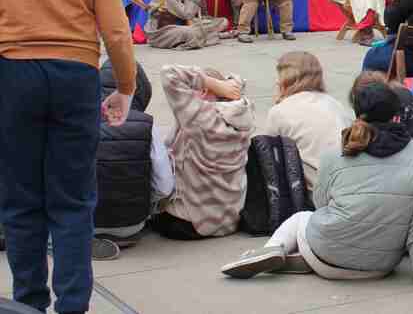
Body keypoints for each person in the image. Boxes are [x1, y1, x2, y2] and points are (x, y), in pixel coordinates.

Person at [0, 0, 136, 314]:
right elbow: (116, 30)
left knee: (20, 198)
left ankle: (28, 303)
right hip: (76, 72)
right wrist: (126, 87)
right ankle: (74, 304)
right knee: (74, 198)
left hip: (12, 71)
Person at [219, 81, 413, 299]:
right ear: (398, 117)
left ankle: (271, 250)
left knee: (302, 218)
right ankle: (304, 257)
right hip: (381, 264)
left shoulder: (338, 151)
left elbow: (321, 203)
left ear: (357, 116)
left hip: (327, 252)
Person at [150, 65, 253, 240]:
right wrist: (223, 86)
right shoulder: (243, 113)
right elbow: (239, 81)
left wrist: (212, 82)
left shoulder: (199, 116)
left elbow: (169, 73)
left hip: (191, 224)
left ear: (204, 91)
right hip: (230, 220)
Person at [94, 60, 173, 251]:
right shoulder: (147, 124)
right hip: (131, 225)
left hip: (79, 219)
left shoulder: (76, 118)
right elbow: (164, 186)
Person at [265, 52, 354, 193]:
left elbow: (270, 157)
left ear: (284, 79)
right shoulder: (335, 104)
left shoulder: (279, 111)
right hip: (349, 183)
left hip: (317, 192)